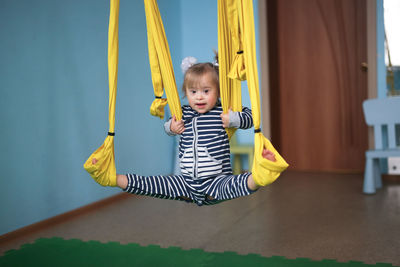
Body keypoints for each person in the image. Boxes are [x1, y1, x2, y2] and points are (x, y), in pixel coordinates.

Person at [95, 57, 276, 206]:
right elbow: (168, 125)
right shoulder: (184, 113)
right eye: (193, 91)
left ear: (218, 92)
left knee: (241, 183)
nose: (199, 96)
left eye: (206, 91)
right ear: (186, 93)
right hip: (185, 182)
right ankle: (112, 178)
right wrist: (172, 128)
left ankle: (261, 174)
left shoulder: (222, 112)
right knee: (152, 184)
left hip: (217, 181)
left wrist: (233, 119)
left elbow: (251, 117)